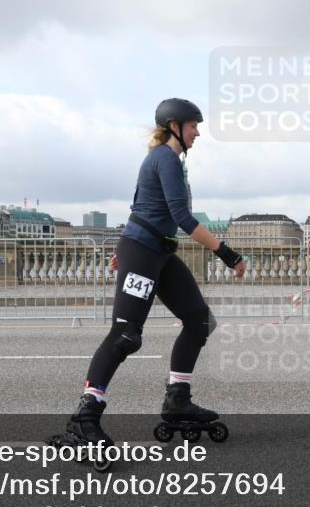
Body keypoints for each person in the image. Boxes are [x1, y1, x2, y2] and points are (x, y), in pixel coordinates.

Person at [67, 98, 247, 445]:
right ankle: (85, 415)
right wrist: (225, 253)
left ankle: (177, 399)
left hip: (157, 252)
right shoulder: (165, 158)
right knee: (125, 336)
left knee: (200, 322)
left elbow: (144, 207)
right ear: (175, 126)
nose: (197, 133)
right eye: (194, 125)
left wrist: (127, 247)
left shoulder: (168, 160)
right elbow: (182, 218)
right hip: (144, 251)